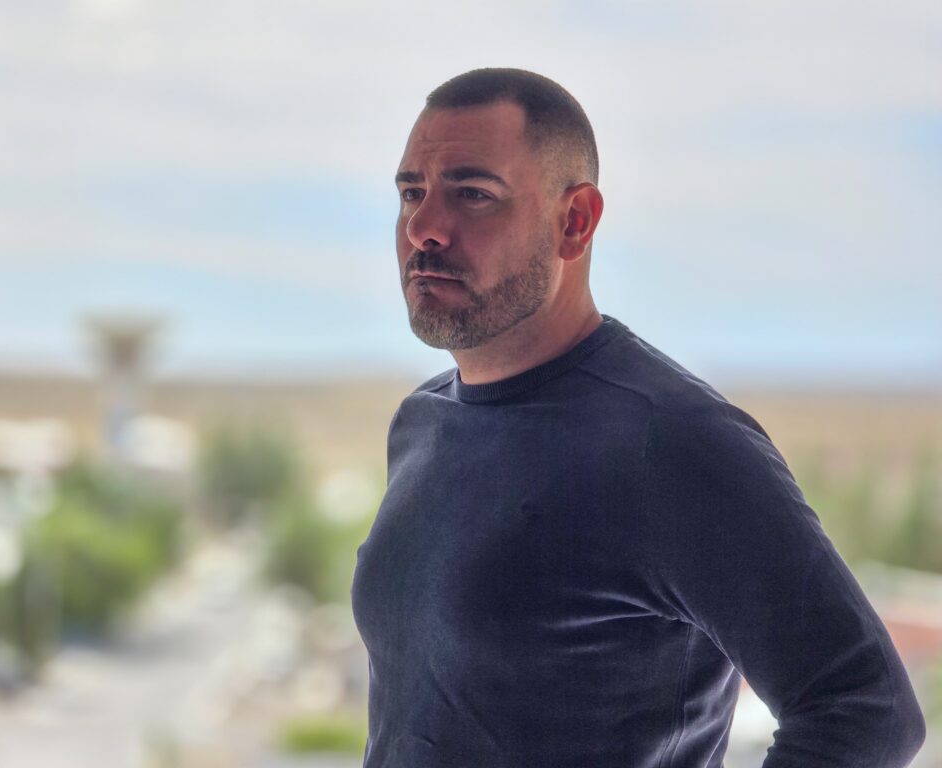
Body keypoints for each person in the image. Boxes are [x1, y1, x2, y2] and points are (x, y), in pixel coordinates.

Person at [349, 68, 926, 767]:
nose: (423, 229)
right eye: (412, 193)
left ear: (575, 222)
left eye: (473, 194)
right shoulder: (422, 424)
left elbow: (866, 709)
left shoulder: (673, 442)